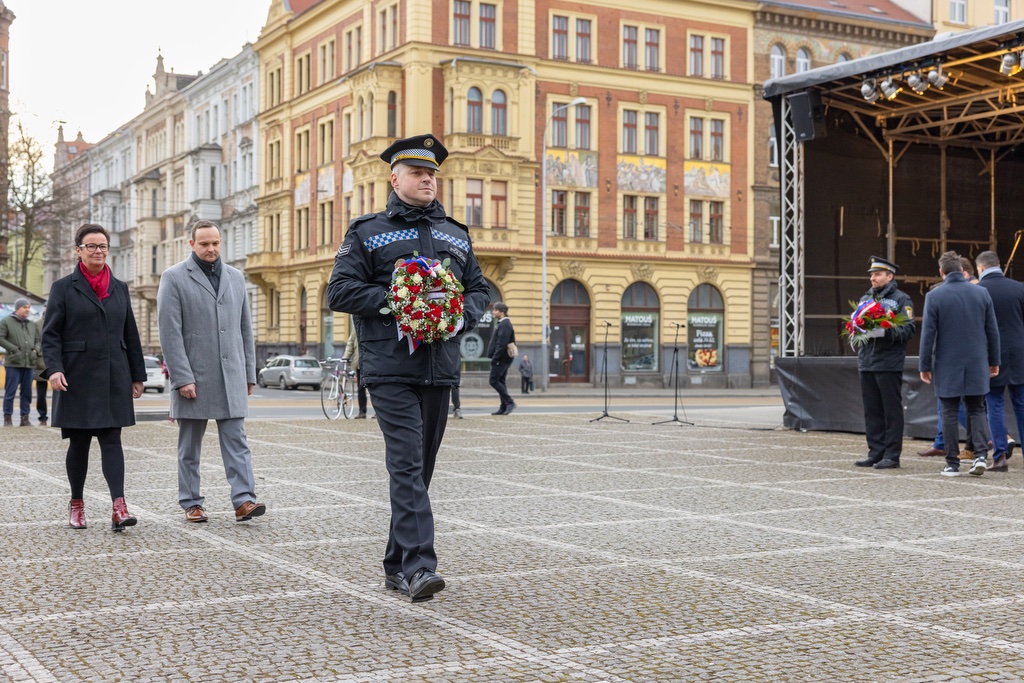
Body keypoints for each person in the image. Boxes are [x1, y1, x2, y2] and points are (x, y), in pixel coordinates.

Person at [326, 133, 489, 602]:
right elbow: (340, 291)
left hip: (439, 367)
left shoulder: (455, 234)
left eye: (433, 173)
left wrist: (458, 312)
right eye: (418, 173)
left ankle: (395, 564)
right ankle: (420, 567)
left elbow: (479, 290)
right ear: (394, 178)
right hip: (390, 366)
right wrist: (402, 301)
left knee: (422, 469)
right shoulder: (367, 231)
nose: (427, 181)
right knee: (407, 465)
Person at [157, 219, 265, 524]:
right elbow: (170, 332)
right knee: (189, 446)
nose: (211, 249)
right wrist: (181, 377)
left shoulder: (235, 276)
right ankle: (192, 502)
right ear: (192, 244)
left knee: (237, 441)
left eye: (215, 243)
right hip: (194, 377)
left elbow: (245, 329)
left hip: (231, 376)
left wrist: (249, 373)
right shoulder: (174, 277)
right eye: (204, 243)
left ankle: (244, 500)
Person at [42, 223, 146, 531]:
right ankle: (77, 504)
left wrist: (137, 374)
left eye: (102, 246)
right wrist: (55, 368)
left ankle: (119, 506)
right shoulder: (63, 287)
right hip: (76, 376)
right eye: (91, 246)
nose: (98, 251)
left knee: (112, 439)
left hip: (115, 375)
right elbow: (50, 335)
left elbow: (131, 333)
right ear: (78, 250)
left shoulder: (120, 287)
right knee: (80, 441)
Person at [919, 250, 1000, 477]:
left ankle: (952, 463)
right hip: (977, 361)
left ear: (941, 272)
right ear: (962, 271)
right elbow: (992, 332)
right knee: (977, 408)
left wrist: (924, 365)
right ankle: (981, 456)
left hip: (947, 363)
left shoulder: (934, 296)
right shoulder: (981, 293)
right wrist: (994, 361)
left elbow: (928, 335)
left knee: (949, 411)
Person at [853, 256, 916, 469]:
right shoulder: (865, 299)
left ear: (890, 276)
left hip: (888, 363)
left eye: (877, 274)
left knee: (891, 411)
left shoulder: (901, 299)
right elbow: (856, 325)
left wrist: (884, 331)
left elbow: (908, 329)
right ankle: (875, 452)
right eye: (871, 274)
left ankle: (892, 455)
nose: (873, 278)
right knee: (872, 411)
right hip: (867, 361)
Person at [976, 250, 1024, 471]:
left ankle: (1000, 456)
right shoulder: (1019, 288)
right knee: (1021, 404)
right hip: (1019, 353)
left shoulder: (978, 291)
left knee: (993, 404)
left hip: (991, 355)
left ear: (981, 268)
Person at [0, 298, 40, 426]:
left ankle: (25, 418)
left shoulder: (32, 324)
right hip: (13, 363)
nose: (27, 309)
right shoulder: (6, 322)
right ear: (17, 308)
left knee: (27, 393)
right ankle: (7, 418)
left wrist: (35, 350)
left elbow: (38, 340)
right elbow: (0, 338)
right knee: (10, 392)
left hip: (29, 363)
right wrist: (14, 349)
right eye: (25, 307)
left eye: (28, 307)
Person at [487, 302, 517, 415]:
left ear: (501, 312)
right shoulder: (502, 323)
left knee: (493, 380)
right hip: (503, 358)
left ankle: (510, 402)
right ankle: (503, 406)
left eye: (495, 310)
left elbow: (501, 343)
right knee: (501, 381)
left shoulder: (505, 324)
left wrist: (495, 358)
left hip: (502, 358)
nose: (493, 312)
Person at [344, 327, 368, 418]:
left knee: (375, 388)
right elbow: (350, 342)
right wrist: (346, 356)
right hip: (359, 363)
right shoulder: (356, 327)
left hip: (371, 363)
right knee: (361, 389)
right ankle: (362, 411)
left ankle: (378, 412)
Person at [34, 311, 48, 426]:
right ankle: (42, 417)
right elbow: (35, 341)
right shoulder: (37, 324)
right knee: (41, 393)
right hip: (40, 362)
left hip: (61, 361)